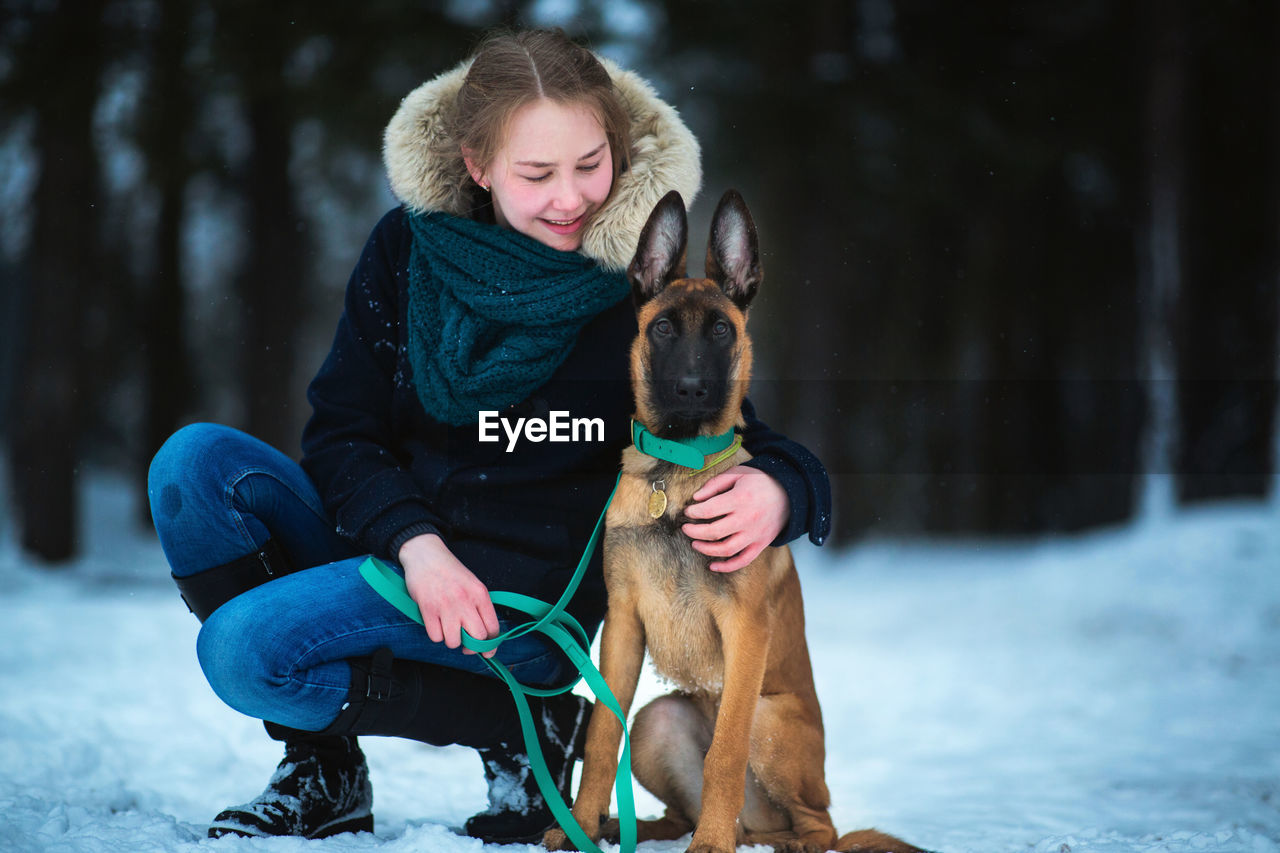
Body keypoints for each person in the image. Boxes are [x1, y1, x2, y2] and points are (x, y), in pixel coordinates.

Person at [147, 27, 831, 844]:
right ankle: (324, 767)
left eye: (590, 165)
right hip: (406, 555)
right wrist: (415, 543)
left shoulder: (634, 287)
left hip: (523, 610)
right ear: (478, 166)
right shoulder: (405, 253)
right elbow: (341, 433)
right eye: (536, 174)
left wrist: (783, 488)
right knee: (194, 466)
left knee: (242, 654)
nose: (571, 199)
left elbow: (738, 429)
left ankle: (530, 718)